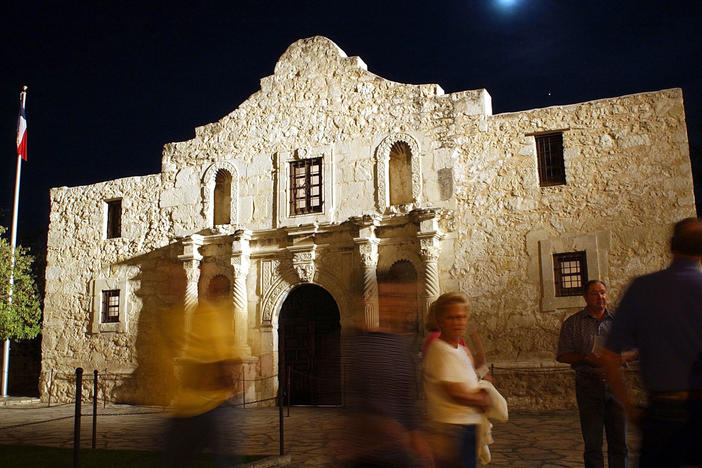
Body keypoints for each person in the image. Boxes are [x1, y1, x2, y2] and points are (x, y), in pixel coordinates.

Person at [603, 217, 702, 468]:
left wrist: (630, 408)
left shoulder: (643, 289)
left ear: (670, 246)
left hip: (662, 414)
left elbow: (609, 355)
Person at [342, 270, 432, 467]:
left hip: (397, 451)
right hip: (369, 454)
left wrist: (416, 435)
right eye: (388, 296)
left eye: (400, 297)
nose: (396, 303)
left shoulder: (400, 345)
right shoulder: (358, 344)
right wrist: (383, 427)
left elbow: (405, 400)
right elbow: (353, 404)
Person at [556, 280, 630, 468]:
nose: (600, 297)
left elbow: (636, 350)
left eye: (603, 292)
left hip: (616, 384)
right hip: (588, 385)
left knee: (619, 442)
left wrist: (619, 358)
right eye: (595, 293)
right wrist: (585, 358)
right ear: (585, 297)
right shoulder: (573, 323)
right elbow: (563, 355)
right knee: (592, 442)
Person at [423, 292, 491, 468]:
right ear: (440, 320)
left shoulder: (458, 349)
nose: (458, 322)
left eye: (461, 317)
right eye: (451, 318)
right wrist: (482, 398)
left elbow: (469, 378)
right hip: (453, 430)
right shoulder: (440, 350)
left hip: (466, 427)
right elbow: (454, 391)